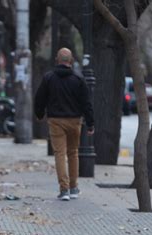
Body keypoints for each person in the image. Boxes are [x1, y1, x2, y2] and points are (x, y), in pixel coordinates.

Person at [34, 48, 95, 201]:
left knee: (60, 154)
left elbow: (39, 98)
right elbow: (86, 103)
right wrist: (90, 123)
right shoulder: (78, 79)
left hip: (56, 121)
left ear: (57, 59)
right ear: (71, 60)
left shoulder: (49, 78)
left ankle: (64, 190)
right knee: (73, 153)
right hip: (75, 121)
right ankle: (74, 188)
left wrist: (40, 114)